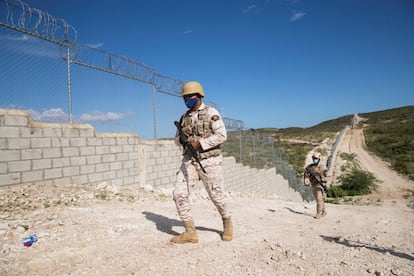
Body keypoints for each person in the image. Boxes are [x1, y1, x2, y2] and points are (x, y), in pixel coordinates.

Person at [171, 81, 232, 244]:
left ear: (199, 96)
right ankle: (190, 232)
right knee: (179, 194)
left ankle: (227, 223)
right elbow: (176, 140)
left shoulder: (211, 112)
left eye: (190, 96)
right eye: (185, 97)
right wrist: (182, 140)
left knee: (216, 196)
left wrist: (200, 144)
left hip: (209, 160)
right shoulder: (184, 118)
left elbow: (222, 135)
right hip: (189, 161)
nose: (187, 99)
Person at [303, 152, 328, 219]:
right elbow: (306, 174)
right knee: (318, 199)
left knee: (319, 199)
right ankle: (324, 212)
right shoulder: (310, 167)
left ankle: (318, 213)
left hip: (320, 185)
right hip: (313, 184)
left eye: (316, 158)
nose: (315, 160)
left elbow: (326, 176)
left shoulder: (322, 167)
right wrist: (306, 180)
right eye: (314, 158)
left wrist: (323, 182)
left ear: (319, 159)